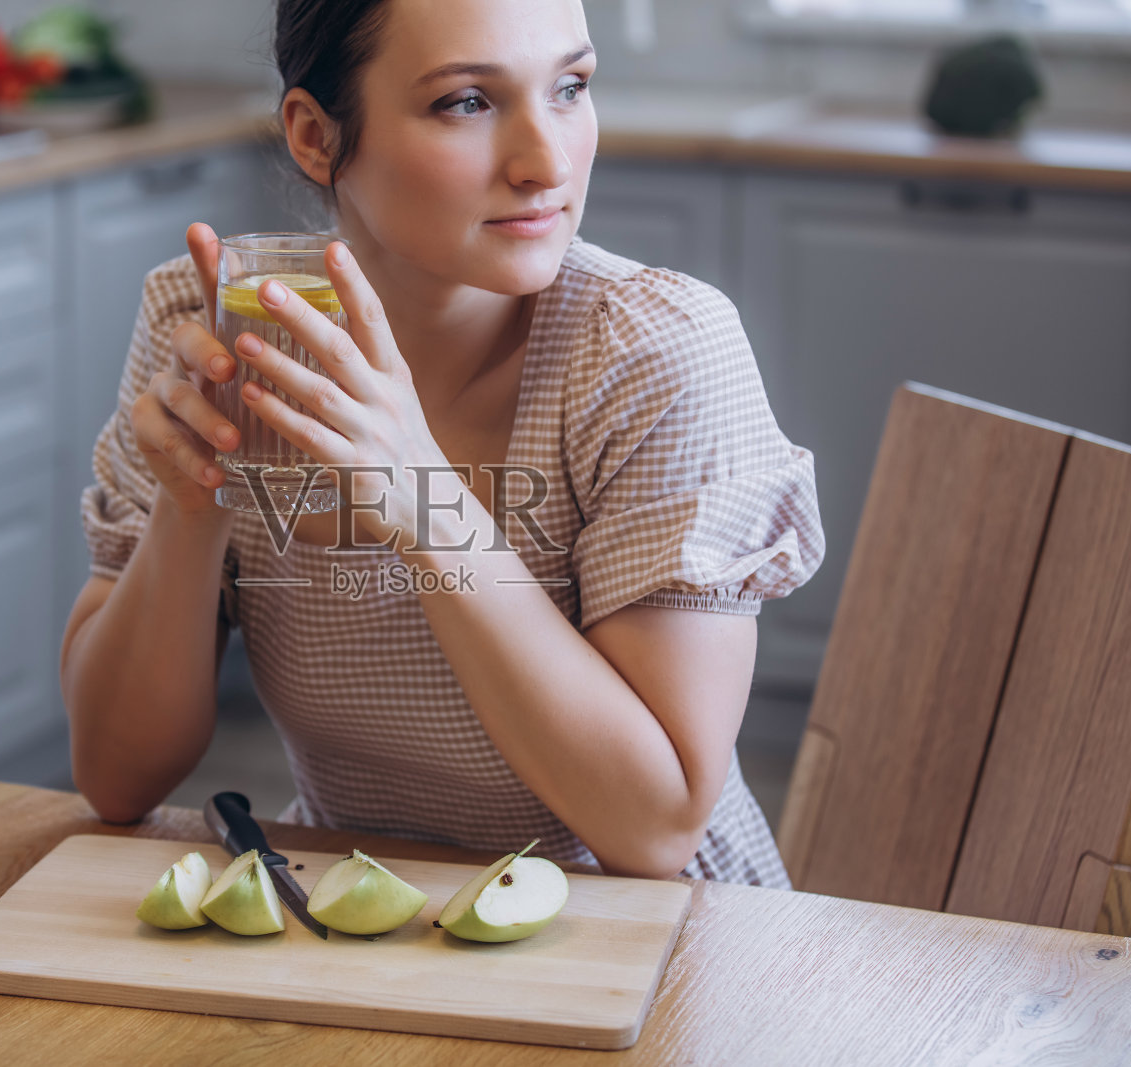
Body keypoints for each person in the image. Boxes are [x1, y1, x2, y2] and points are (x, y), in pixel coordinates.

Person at [60, 0, 824, 884]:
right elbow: (114, 777)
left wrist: (425, 501)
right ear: (315, 137)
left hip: (654, 932)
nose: (547, 164)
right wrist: (192, 508)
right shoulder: (221, 332)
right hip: (365, 909)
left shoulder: (648, 352)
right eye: (467, 102)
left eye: (570, 87)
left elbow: (655, 830)